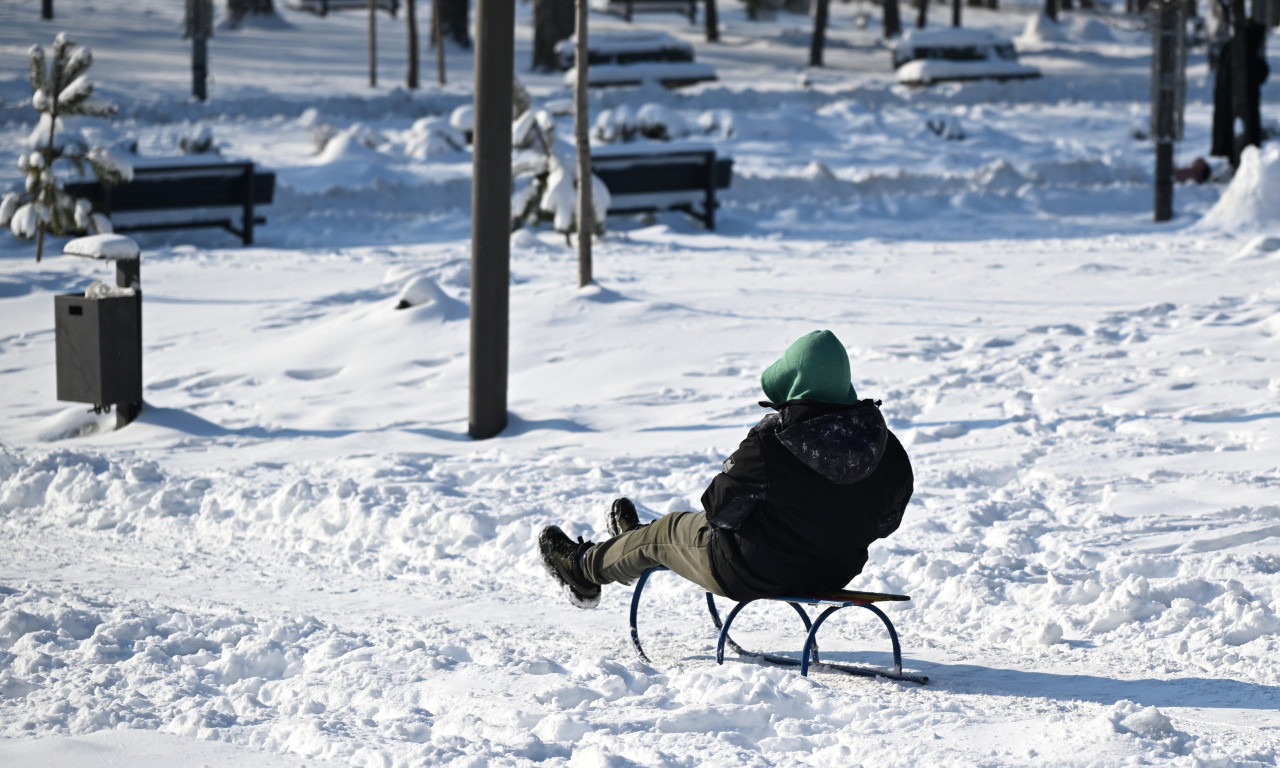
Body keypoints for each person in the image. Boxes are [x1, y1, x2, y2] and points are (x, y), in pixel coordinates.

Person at [538, 329, 914, 608]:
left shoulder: (775, 444)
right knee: (662, 536)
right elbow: (886, 522)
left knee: (666, 532)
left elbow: (719, 509)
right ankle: (631, 543)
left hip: (751, 571)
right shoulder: (886, 446)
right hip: (835, 571)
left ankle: (583, 570)